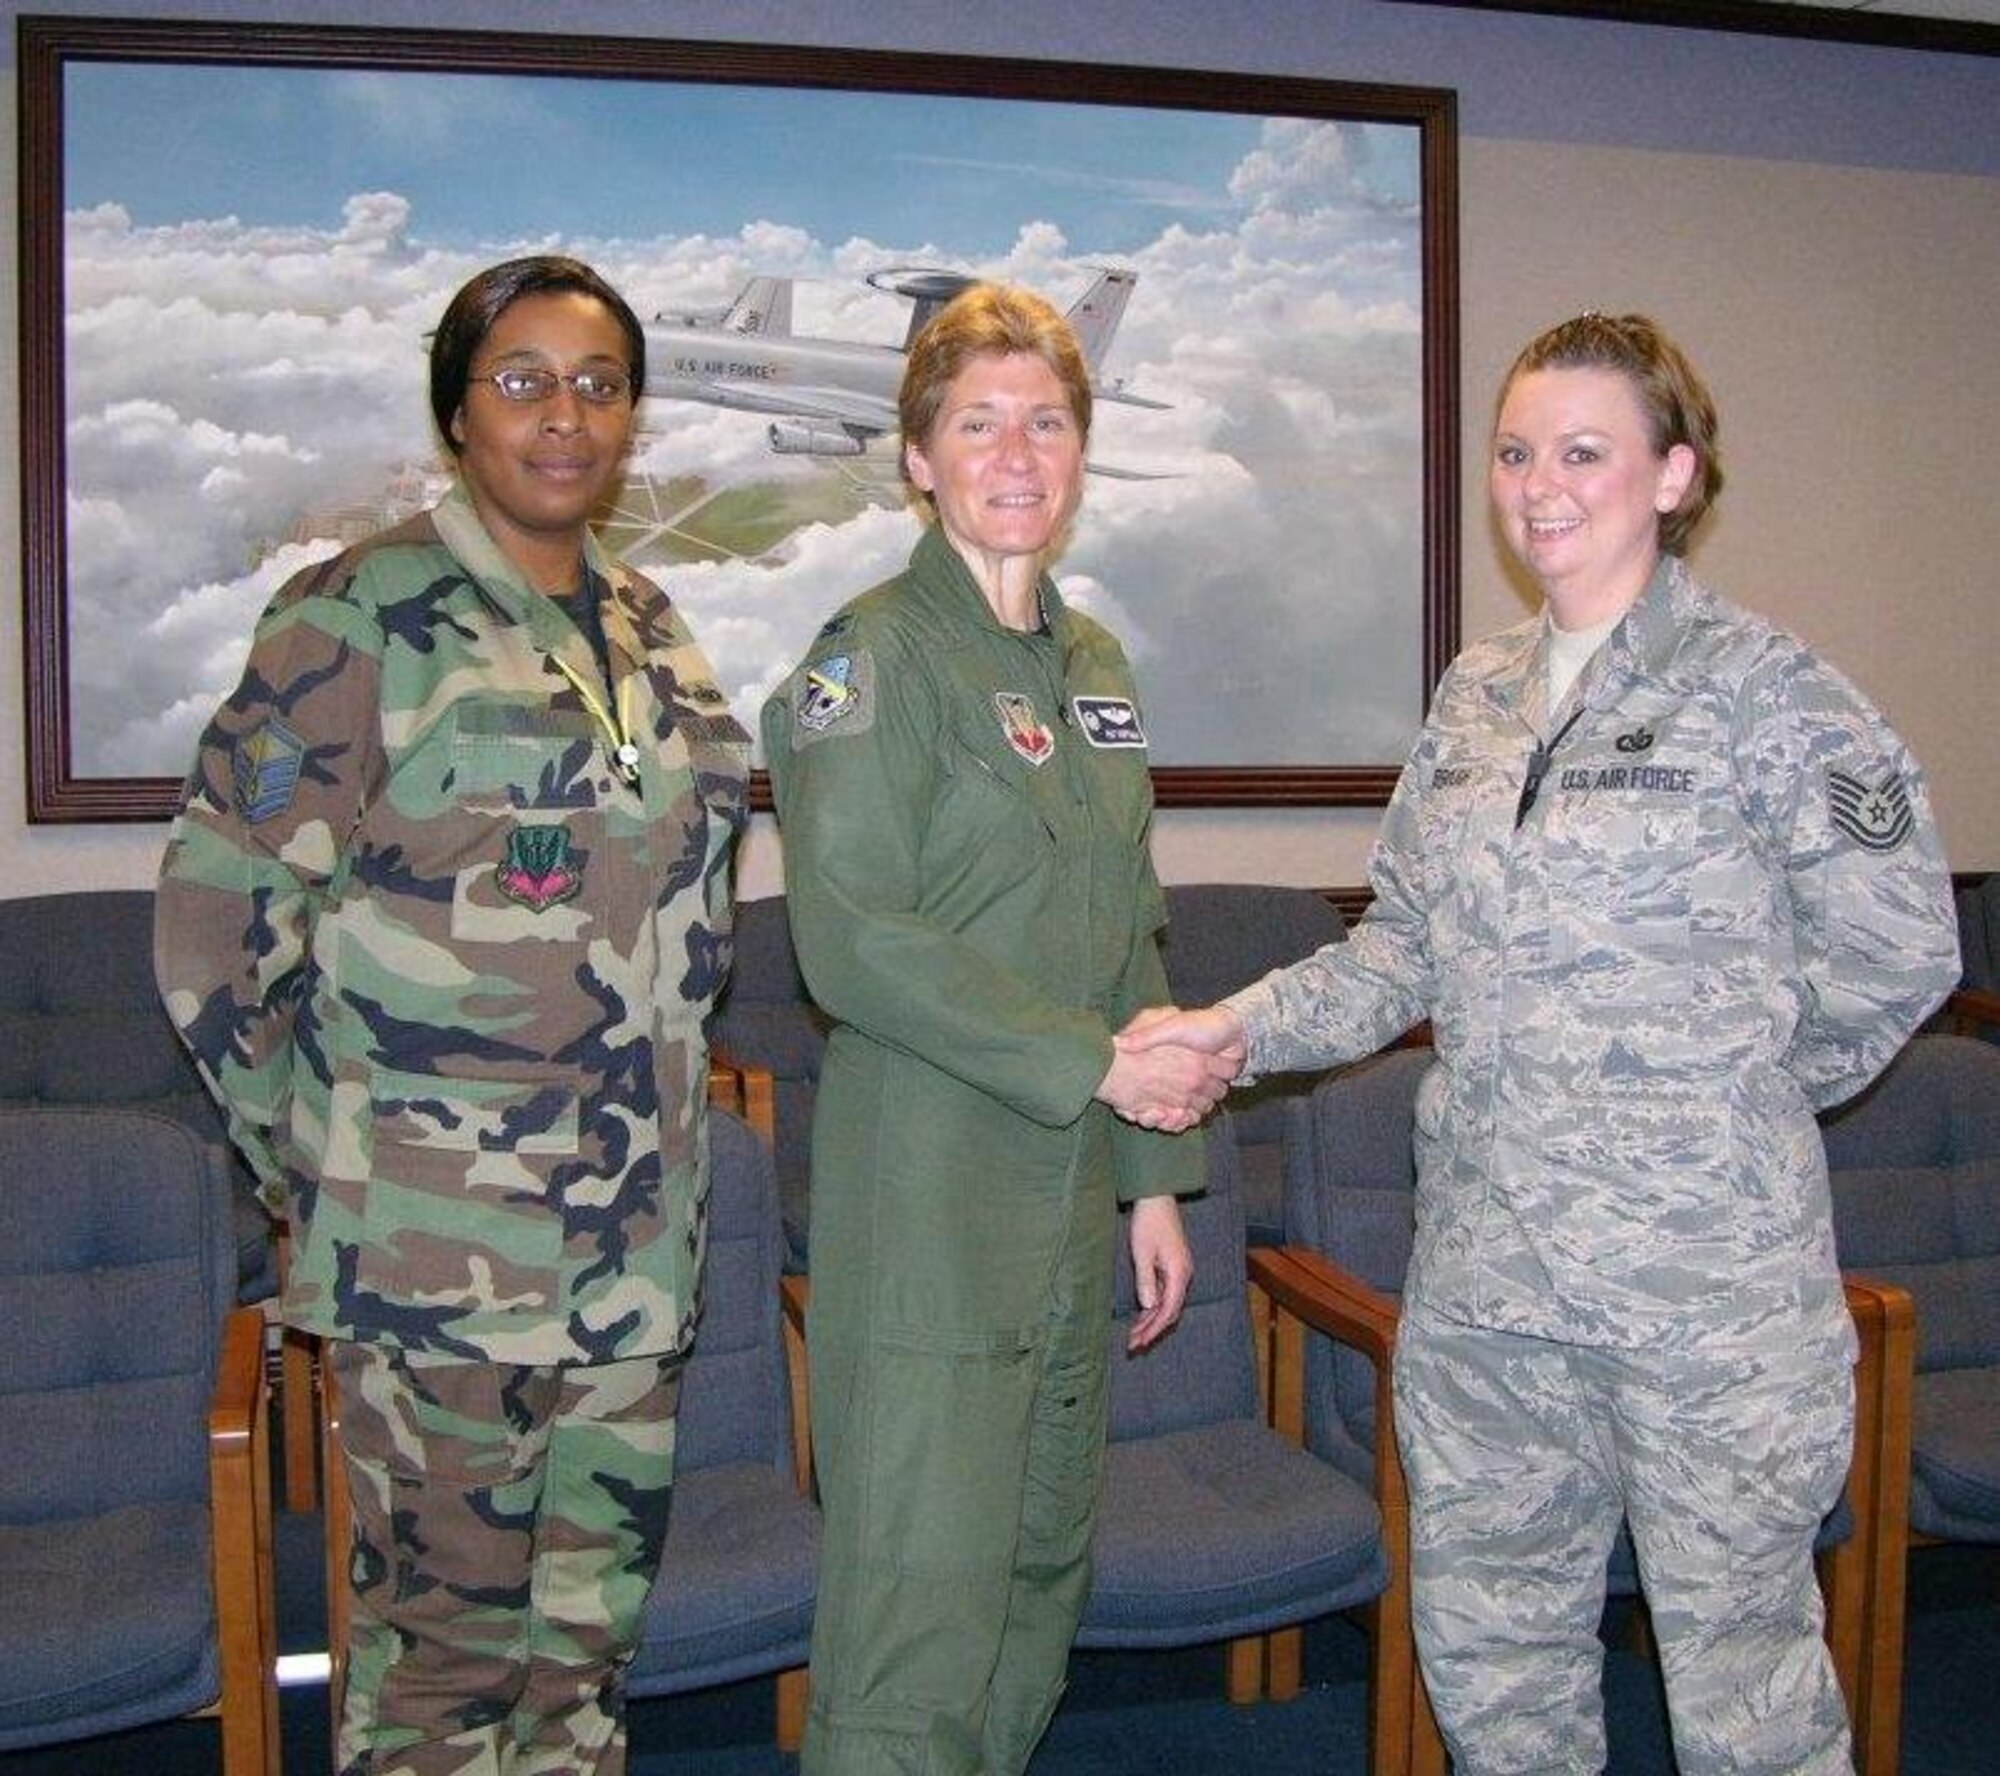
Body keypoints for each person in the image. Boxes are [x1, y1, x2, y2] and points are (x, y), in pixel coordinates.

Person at [1124, 312, 1960, 1774]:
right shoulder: (1477, 699)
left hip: (1710, 1304)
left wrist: (1718, 1109)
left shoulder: (1771, 696)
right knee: (1497, 1672)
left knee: (1745, 1695)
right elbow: (1401, 948)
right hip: (1491, 1292)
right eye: (1516, 452)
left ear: (1674, 475)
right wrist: (1230, 1028)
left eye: (1584, 451)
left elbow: (1901, 952)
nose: (1538, 485)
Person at [155, 254, 750, 1776]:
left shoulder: (653, 625)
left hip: (634, 1259)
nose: (568, 419)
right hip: (437, 1271)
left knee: (584, 1665)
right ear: (457, 414)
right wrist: (334, 1171)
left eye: (602, 386)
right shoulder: (354, 623)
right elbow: (216, 934)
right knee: (437, 1686)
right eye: (525, 381)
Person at [760, 281, 1230, 1775]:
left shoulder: (1093, 669)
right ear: (917, 456)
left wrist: (1155, 1174)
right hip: (933, 1206)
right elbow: (855, 943)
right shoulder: (874, 660)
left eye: (1047, 422)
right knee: (918, 1616)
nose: (1016, 454)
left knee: (1036, 1581)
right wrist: (1095, 1067)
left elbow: (1127, 927)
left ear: (1081, 452)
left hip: (1072, 1200)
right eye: (978, 424)